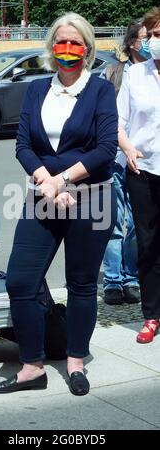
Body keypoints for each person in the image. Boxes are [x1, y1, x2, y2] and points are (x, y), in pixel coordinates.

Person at [0, 12, 118, 396]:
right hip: (43, 197)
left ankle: (76, 361)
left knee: (80, 285)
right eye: (61, 41)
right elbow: (23, 145)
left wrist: (63, 180)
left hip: (91, 198)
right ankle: (33, 366)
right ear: (51, 48)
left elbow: (104, 149)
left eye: (75, 42)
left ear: (88, 48)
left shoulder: (99, 91)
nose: (67, 49)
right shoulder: (35, 90)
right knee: (21, 281)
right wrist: (47, 183)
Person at [117, 7, 160, 343]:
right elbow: (118, 121)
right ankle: (152, 315)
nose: (158, 41)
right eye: (155, 35)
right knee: (147, 242)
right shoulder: (135, 75)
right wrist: (128, 149)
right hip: (143, 170)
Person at [102, 19, 149, 305]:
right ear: (132, 43)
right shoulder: (113, 73)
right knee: (113, 223)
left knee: (136, 223)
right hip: (116, 158)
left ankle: (131, 277)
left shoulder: (154, 74)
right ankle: (112, 281)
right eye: (145, 37)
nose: (149, 41)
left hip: (144, 162)